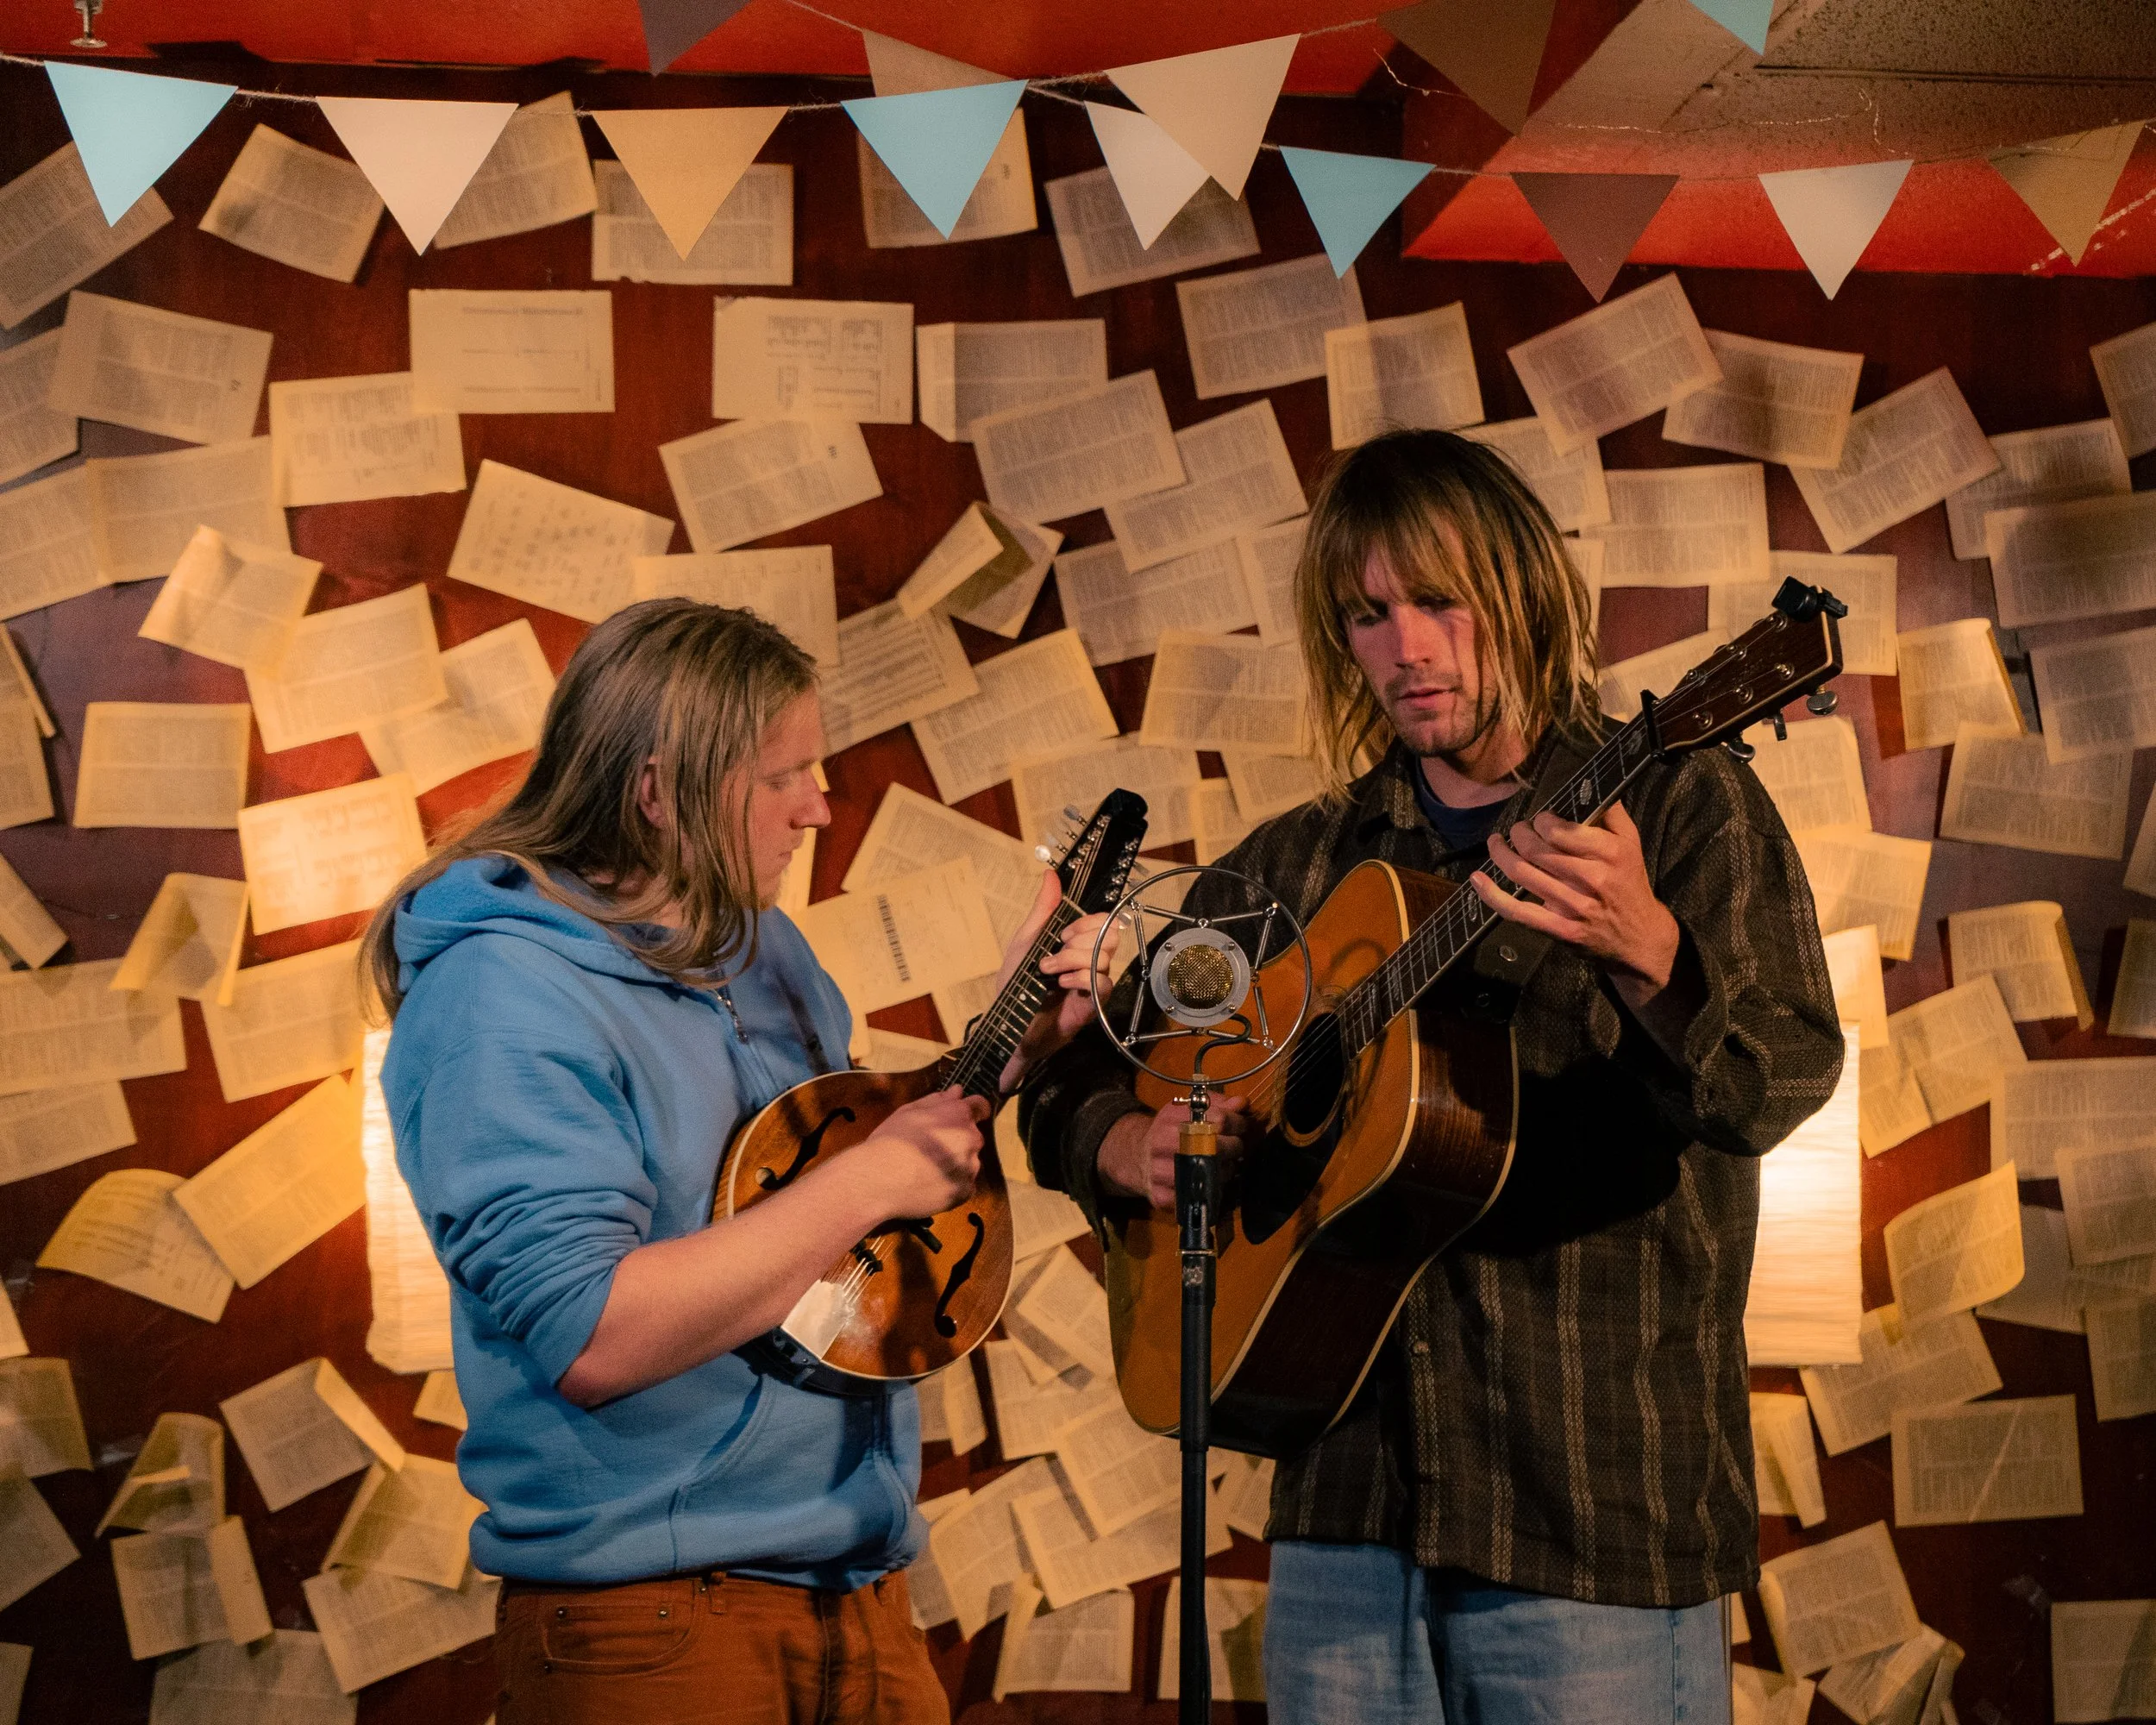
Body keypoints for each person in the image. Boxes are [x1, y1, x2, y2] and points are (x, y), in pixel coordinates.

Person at [1018, 430, 1845, 1725]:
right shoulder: (1298, 869)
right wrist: (1124, 1146)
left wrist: (1649, 954)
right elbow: (1080, 1076)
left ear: (1519, 591)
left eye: (1439, 602)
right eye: (1367, 614)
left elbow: (1778, 1081)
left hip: (1591, 1507)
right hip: (1345, 1507)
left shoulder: (1681, 807)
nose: (1405, 649)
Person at [362, 599, 1115, 1725]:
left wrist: (1013, 1054)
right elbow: (594, 1334)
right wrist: (870, 1181)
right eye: (783, 776)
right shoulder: (499, 996)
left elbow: (826, 1192)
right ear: (658, 792)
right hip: (654, 1624)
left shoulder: (769, 954)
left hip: (859, 1595)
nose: (820, 805)